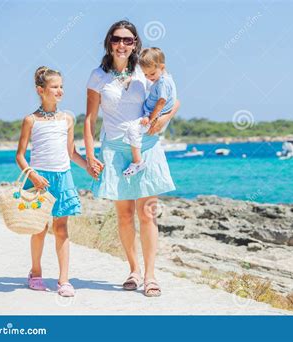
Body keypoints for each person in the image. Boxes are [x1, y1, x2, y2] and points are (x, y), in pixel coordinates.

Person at [84, 20, 180, 297]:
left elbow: (174, 99)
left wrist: (163, 119)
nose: (122, 44)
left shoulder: (146, 68)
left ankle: (151, 276)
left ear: (135, 43)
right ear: (108, 42)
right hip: (114, 148)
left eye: (128, 40)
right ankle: (134, 270)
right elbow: (90, 119)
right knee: (125, 215)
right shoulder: (97, 76)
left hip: (146, 145)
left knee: (147, 213)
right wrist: (90, 154)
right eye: (117, 39)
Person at [16, 66, 87, 297]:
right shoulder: (30, 120)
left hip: (63, 177)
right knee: (38, 227)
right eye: (55, 87)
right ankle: (35, 273)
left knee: (61, 228)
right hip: (38, 179)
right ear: (41, 90)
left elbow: (71, 152)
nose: (60, 91)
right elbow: (20, 155)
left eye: (61, 86)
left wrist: (89, 167)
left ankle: (63, 280)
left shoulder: (67, 118)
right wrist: (33, 174)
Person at [121, 47, 177, 177]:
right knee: (133, 132)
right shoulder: (163, 79)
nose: (149, 78)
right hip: (153, 115)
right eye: (145, 75)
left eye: (151, 74)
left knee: (132, 130)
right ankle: (137, 160)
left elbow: (162, 102)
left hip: (153, 117)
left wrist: (150, 118)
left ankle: (137, 162)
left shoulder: (162, 82)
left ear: (162, 67)